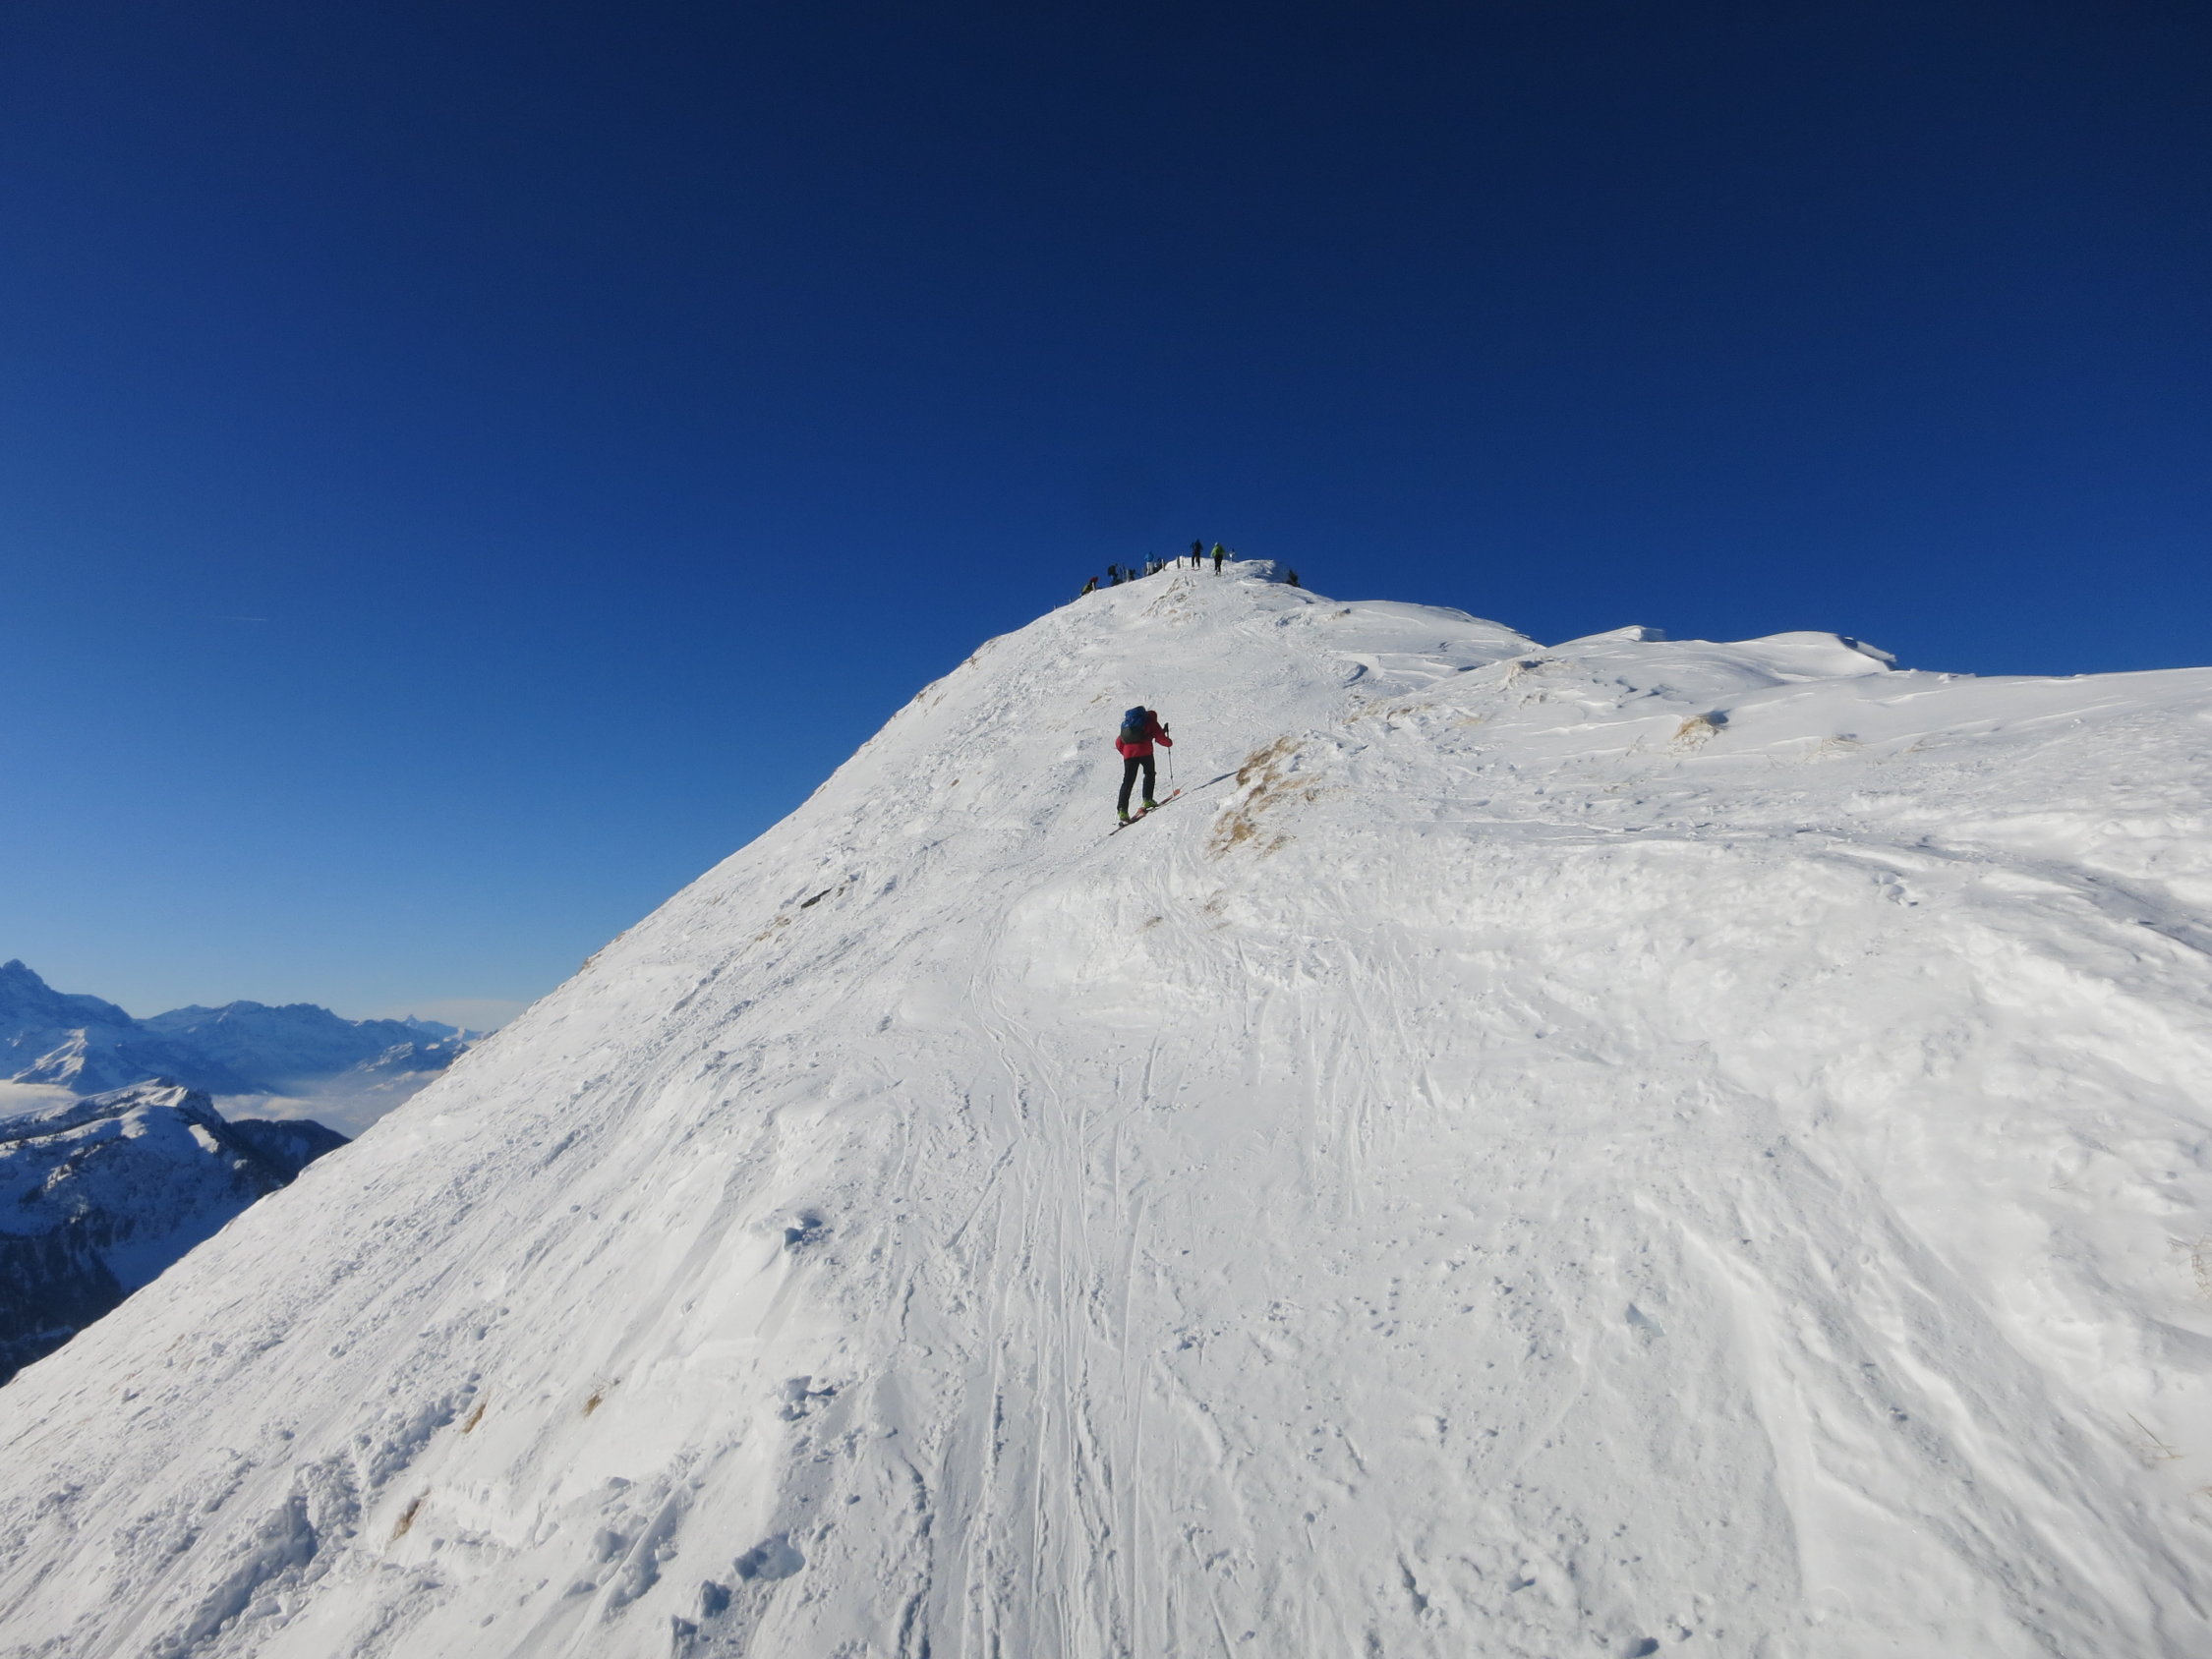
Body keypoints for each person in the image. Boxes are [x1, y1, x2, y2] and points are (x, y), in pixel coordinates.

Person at [1114, 705, 1172, 824]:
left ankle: (1122, 810)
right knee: (1149, 773)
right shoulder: (1151, 721)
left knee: (1127, 782)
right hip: (1145, 752)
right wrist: (1169, 742)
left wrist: (1126, 753)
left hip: (1129, 755)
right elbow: (1160, 738)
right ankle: (1148, 799)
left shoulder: (1128, 723)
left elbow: (1119, 742)